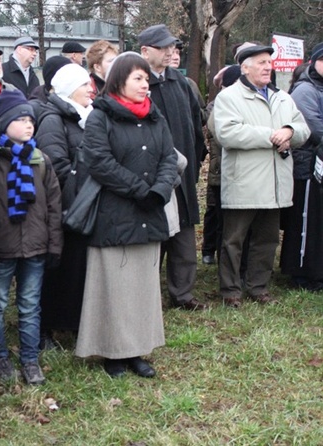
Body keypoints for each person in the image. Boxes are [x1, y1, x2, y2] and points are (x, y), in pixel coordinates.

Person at [75, 52, 178, 378]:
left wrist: (159, 191)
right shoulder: (100, 116)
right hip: (114, 213)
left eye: (147, 79)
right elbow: (100, 163)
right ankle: (113, 355)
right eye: (138, 78)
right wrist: (140, 191)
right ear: (118, 80)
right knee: (114, 289)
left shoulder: (155, 116)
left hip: (149, 212)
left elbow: (168, 158)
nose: (145, 84)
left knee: (142, 289)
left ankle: (137, 351)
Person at [213, 44, 309, 307]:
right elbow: (227, 134)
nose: (268, 67)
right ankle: (230, 290)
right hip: (244, 182)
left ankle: (258, 287)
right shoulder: (229, 97)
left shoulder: (283, 97)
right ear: (244, 68)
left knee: (267, 240)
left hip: (275, 184)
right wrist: (271, 135)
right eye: (261, 62)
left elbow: (303, 129)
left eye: (269, 62)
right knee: (234, 240)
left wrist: (289, 130)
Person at [0, 89, 62, 384]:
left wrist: (53, 244)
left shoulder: (39, 159)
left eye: (31, 119)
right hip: (2, 246)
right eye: (20, 119)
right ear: (4, 123)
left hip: (35, 247)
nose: (28, 124)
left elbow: (55, 205)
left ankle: (30, 360)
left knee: (30, 305)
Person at [139, 24, 207, 311]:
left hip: (185, 173)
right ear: (145, 51)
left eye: (173, 47)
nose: (171, 52)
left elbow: (196, 122)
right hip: (153, 177)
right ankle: (146, 295)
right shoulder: (137, 84)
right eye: (163, 47)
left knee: (184, 234)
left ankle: (183, 294)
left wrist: (197, 157)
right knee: (155, 234)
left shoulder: (180, 83)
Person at [36, 63, 93, 347]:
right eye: (84, 85)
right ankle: (48, 326)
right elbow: (55, 166)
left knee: (77, 269)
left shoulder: (85, 116)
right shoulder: (53, 120)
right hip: (65, 207)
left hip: (84, 205)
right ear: (70, 89)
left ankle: (73, 322)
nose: (91, 89)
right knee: (59, 270)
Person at [281, 43, 323, 291]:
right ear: (314, 61)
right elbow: (314, 128)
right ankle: (302, 273)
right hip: (307, 166)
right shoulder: (305, 90)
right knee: (305, 222)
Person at [202, 65, 241, 265]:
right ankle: (212, 251)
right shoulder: (216, 107)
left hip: (236, 172)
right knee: (217, 215)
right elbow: (220, 137)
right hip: (220, 170)